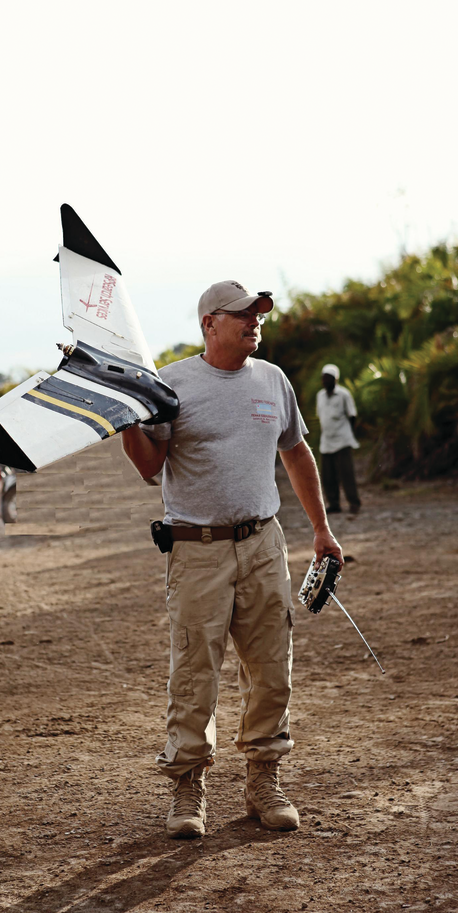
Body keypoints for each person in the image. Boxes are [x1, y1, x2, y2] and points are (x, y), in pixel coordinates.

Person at [122, 280, 343, 839]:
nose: (255, 321)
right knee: (195, 671)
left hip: (264, 542)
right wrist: (126, 420)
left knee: (272, 666)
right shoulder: (171, 384)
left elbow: (295, 452)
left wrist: (321, 529)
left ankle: (263, 782)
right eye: (243, 314)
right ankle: (187, 788)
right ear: (209, 324)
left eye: (259, 314)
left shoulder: (273, 380)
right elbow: (151, 465)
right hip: (196, 548)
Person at [316, 364, 361, 516]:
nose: (324, 381)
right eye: (323, 378)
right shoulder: (320, 396)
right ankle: (334, 504)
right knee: (328, 476)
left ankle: (354, 503)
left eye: (327, 378)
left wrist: (350, 434)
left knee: (347, 474)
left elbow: (352, 415)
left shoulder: (343, 394)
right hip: (326, 441)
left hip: (343, 440)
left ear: (335, 379)